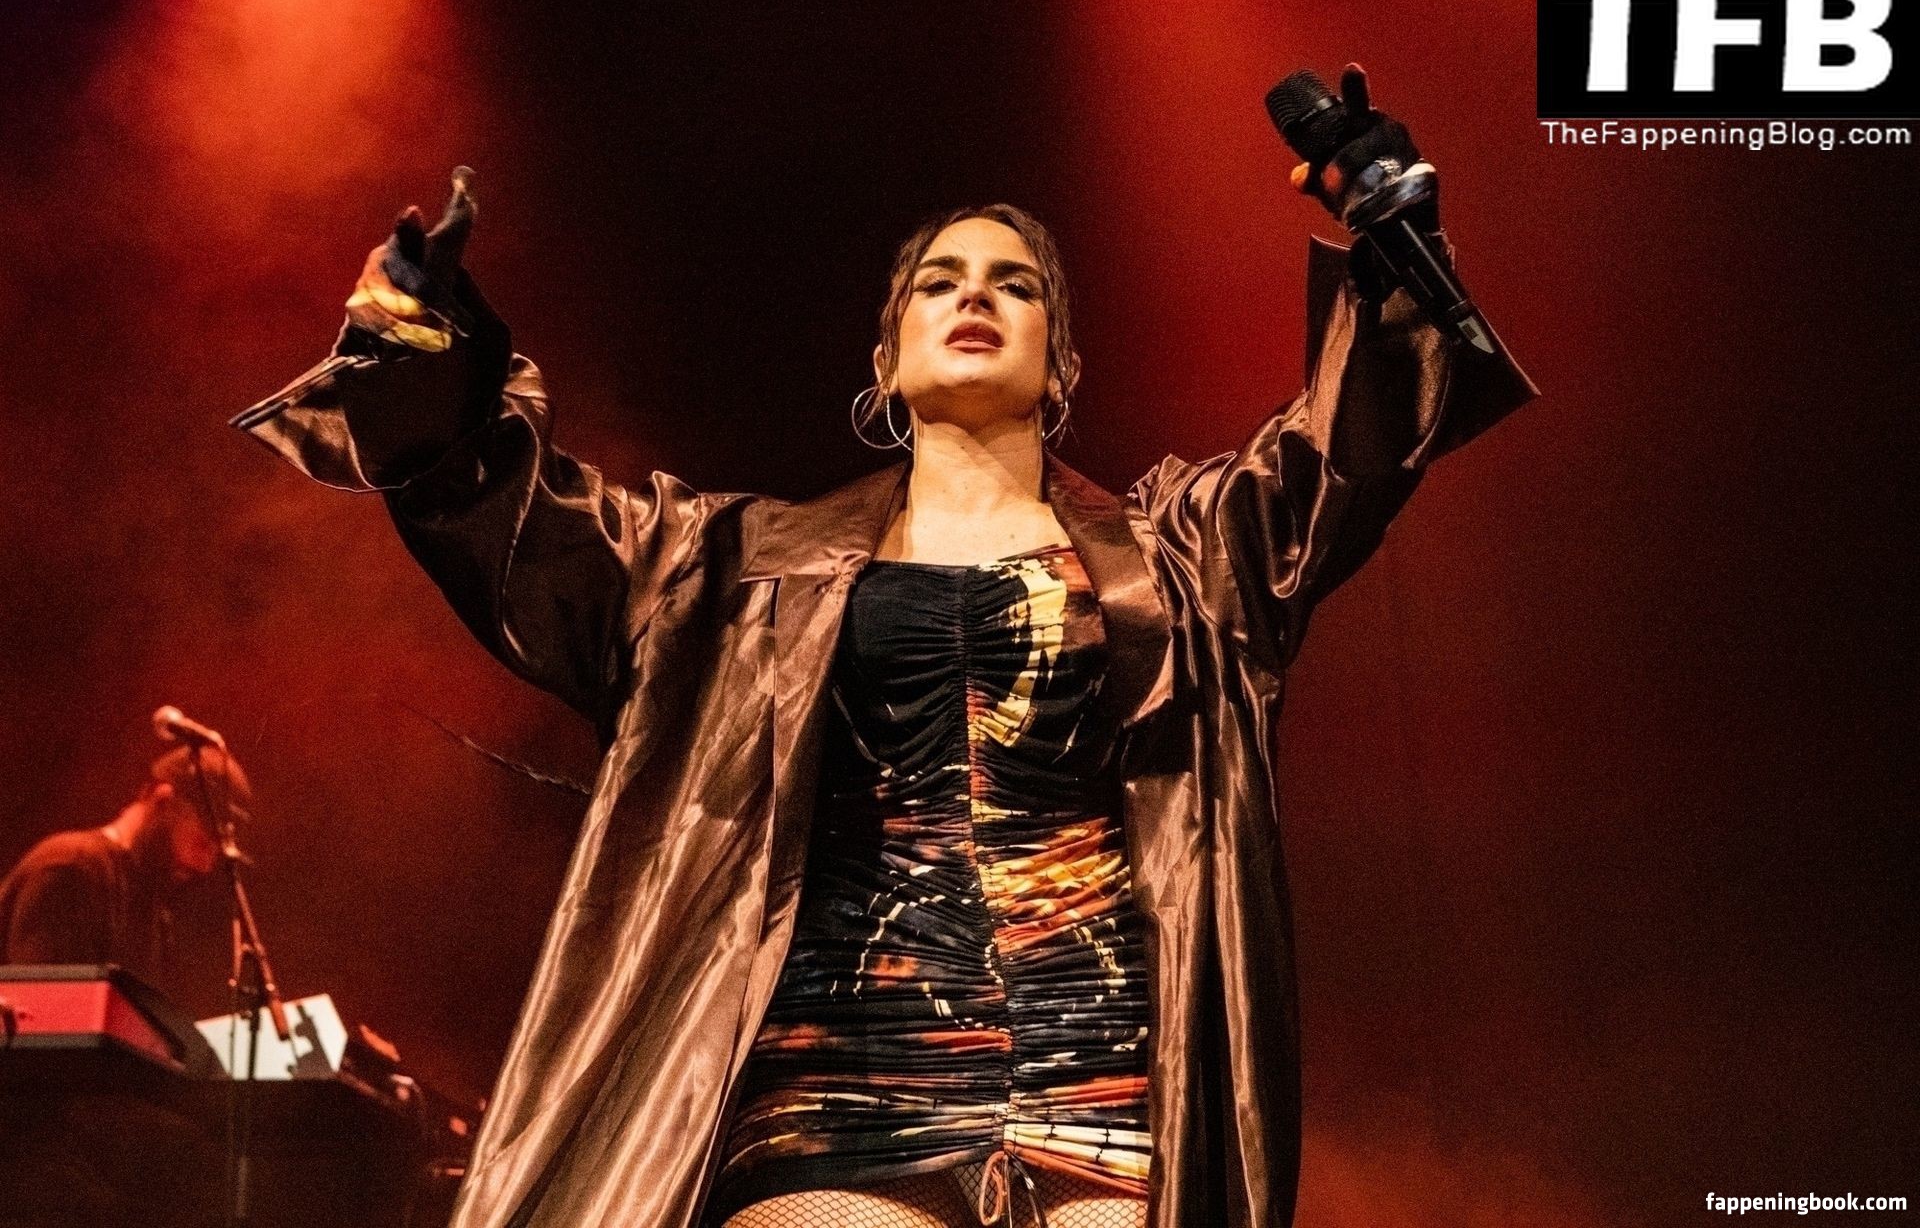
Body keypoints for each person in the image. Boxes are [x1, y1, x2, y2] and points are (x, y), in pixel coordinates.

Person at [235, 67, 1535, 1228]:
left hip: (1100, 1087)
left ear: (1061, 364)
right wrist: (426, 352)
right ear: (886, 361)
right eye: (941, 281)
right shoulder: (729, 566)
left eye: (1015, 284)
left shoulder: (1186, 556)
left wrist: (1391, 242)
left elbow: (1346, 452)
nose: (976, 296)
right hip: (837, 1083)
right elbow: (521, 524)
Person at [0, 744, 241, 976]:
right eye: (203, 842)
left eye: (216, 853)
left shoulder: (151, 910)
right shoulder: (72, 867)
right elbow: (45, 999)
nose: (206, 866)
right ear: (163, 801)